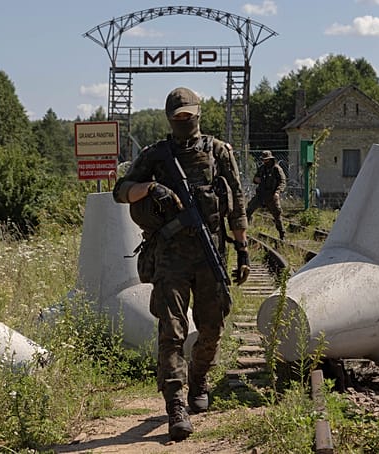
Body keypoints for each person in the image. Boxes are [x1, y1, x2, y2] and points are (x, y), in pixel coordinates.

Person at [112, 87, 249, 442]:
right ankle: (175, 404)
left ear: (198, 115)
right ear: (170, 119)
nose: (184, 123)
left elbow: (236, 201)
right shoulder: (155, 155)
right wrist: (150, 188)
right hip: (171, 258)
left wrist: (243, 248)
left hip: (211, 255)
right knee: (171, 332)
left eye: (189, 117)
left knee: (212, 327)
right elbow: (121, 190)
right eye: (178, 118)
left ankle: (200, 379)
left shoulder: (219, 151)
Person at [246, 150, 287, 240]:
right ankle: (246, 231)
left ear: (270, 159)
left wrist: (277, 192)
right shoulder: (262, 168)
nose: (265, 161)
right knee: (249, 209)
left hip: (272, 195)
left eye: (266, 160)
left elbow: (282, 182)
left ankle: (282, 234)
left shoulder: (277, 169)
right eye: (264, 160)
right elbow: (255, 179)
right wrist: (256, 180)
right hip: (261, 194)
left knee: (277, 214)